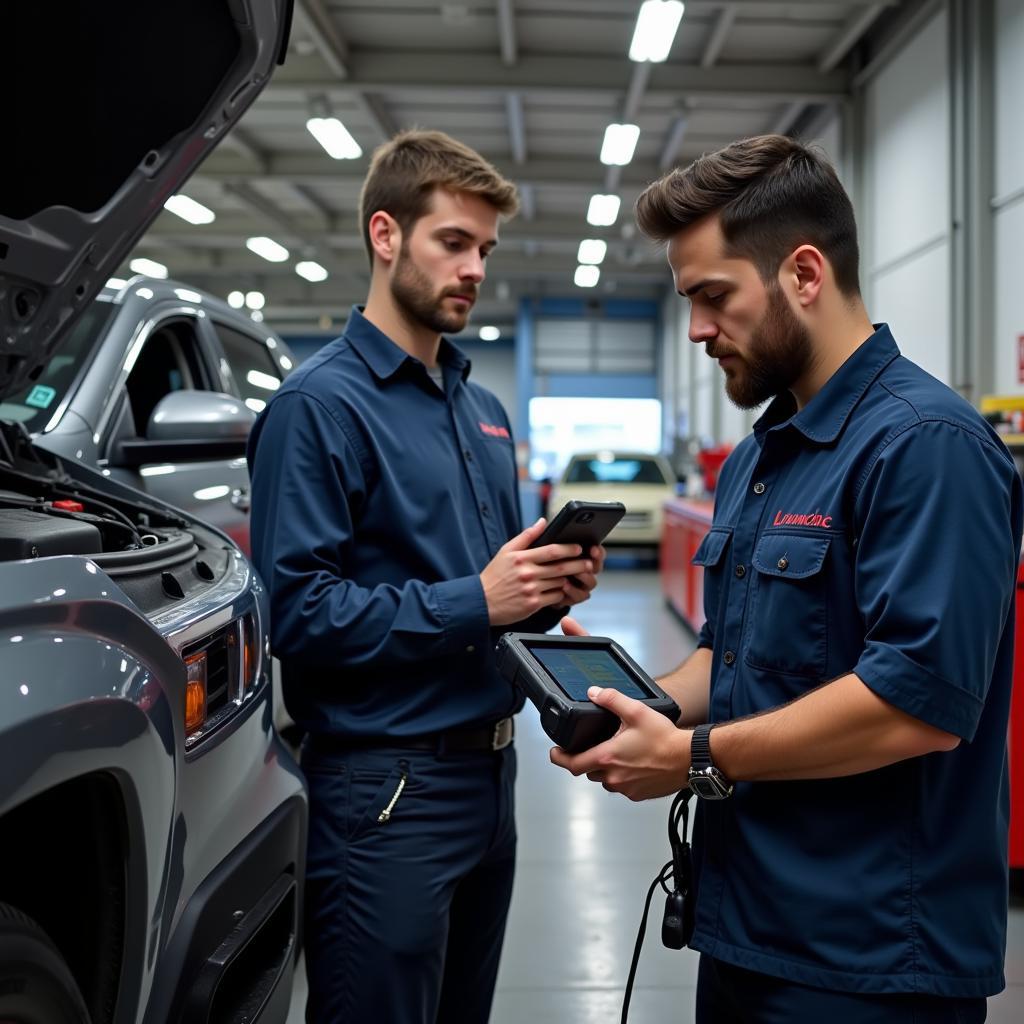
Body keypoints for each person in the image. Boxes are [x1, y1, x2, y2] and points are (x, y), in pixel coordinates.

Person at [550, 134, 1021, 1023]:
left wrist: (689, 759)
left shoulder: (927, 447)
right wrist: (635, 702)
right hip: (745, 924)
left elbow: (915, 703)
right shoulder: (761, 457)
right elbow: (726, 656)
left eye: (713, 297)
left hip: (870, 962)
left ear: (804, 274)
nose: (695, 329)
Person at [247, 129, 606, 1024]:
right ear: (385, 235)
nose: (475, 267)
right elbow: (297, 613)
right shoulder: (318, 408)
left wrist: (544, 590)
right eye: (454, 241)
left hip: (493, 784)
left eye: (485, 248)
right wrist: (477, 599)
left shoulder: (481, 410)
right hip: (386, 792)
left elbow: (490, 596)